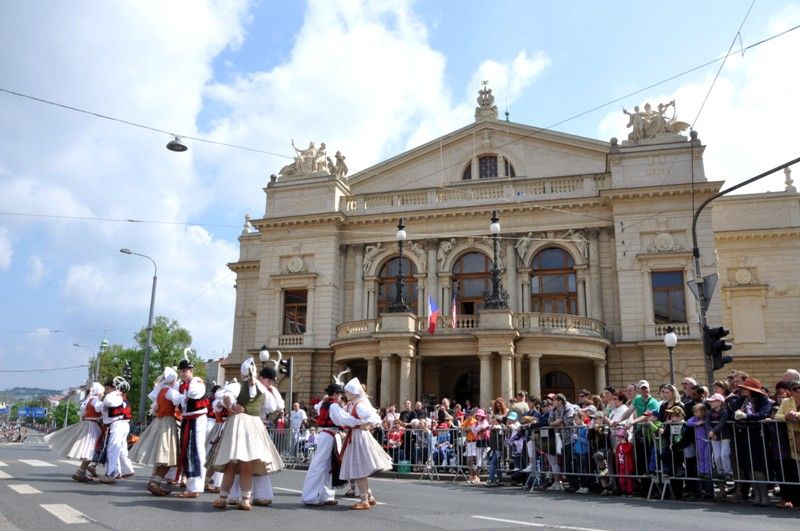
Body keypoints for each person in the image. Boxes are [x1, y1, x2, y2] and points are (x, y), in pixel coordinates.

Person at [210, 358, 283, 510]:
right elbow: (273, 406)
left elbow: (225, 397)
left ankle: (223, 498)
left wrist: (231, 408)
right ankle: (245, 499)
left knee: (231, 463)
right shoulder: (263, 389)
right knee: (247, 464)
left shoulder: (237, 385)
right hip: (255, 425)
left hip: (238, 423)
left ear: (242, 373)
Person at [300, 372, 362, 506]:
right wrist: (358, 422)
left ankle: (326, 496)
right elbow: (343, 418)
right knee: (319, 465)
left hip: (328, 435)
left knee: (328, 466)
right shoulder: (333, 405)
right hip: (328, 435)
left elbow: (336, 417)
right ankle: (310, 497)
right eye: (339, 394)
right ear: (334, 394)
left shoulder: (325, 403)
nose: (341, 396)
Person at [339, 376, 393, 510]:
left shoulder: (359, 405)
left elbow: (374, 418)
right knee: (359, 468)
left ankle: (364, 500)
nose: (346, 394)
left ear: (353, 392)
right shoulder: (351, 404)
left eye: (347, 392)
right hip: (354, 435)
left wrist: (364, 425)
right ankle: (368, 496)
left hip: (359, 437)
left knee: (359, 469)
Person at [129, 367, 180, 496]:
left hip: (158, 422)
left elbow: (156, 407)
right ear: (173, 380)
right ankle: (155, 482)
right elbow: (180, 400)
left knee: (162, 455)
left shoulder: (160, 391)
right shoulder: (170, 392)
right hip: (167, 423)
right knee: (168, 456)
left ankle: (154, 481)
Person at [45, 381, 105, 483]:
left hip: (88, 424)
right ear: (98, 392)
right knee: (91, 449)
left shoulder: (88, 400)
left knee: (90, 449)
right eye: (102, 392)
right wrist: (108, 403)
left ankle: (87, 468)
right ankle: (81, 471)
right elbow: (100, 407)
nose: (103, 394)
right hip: (92, 425)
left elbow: (82, 412)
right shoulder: (95, 400)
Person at [171, 357, 209, 499]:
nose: (183, 374)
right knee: (187, 451)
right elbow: (176, 400)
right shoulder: (182, 385)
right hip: (187, 419)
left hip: (196, 419)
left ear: (191, 371)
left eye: (185, 371)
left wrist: (184, 392)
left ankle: (194, 487)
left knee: (195, 450)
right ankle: (191, 485)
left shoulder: (196, 382)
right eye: (181, 371)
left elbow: (194, 393)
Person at [251, 363, 286, 507]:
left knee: (259, 460)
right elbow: (273, 406)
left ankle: (259, 494)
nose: (270, 383)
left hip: (259, 425)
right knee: (246, 460)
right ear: (261, 377)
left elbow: (280, 406)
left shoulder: (265, 388)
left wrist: (273, 390)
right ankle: (239, 494)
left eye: (272, 381)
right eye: (268, 380)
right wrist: (270, 390)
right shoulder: (257, 387)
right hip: (252, 424)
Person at [95, 377, 134, 484]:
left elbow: (108, 403)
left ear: (113, 388)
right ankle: (124, 470)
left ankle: (111, 473)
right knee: (120, 450)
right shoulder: (120, 396)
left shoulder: (115, 396)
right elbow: (101, 407)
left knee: (113, 449)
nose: (106, 391)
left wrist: (108, 396)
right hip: (121, 425)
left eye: (107, 389)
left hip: (117, 425)